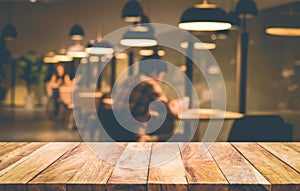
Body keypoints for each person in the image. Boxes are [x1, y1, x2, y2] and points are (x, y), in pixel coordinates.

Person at [111, 55, 182, 142]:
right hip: (136, 134)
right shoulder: (150, 85)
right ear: (154, 72)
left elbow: (139, 105)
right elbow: (170, 112)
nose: (161, 80)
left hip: (116, 131)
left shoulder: (129, 80)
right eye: (161, 76)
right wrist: (176, 106)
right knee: (178, 136)